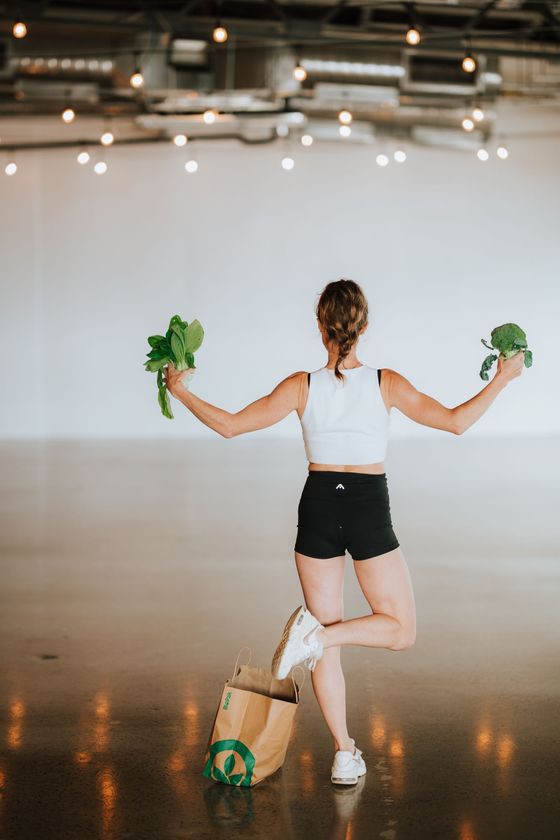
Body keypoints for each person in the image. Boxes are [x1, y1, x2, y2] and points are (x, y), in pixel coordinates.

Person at [163, 279, 525, 786]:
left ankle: (343, 749)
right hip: (366, 506)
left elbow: (229, 426)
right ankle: (319, 642)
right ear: (364, 326)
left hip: (316, 505)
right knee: (401, 630)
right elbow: (457, 422)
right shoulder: (386, 382)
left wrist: (179, 388)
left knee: (324, 644)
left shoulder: (300, 386)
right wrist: (504, 378)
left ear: (321, 327)